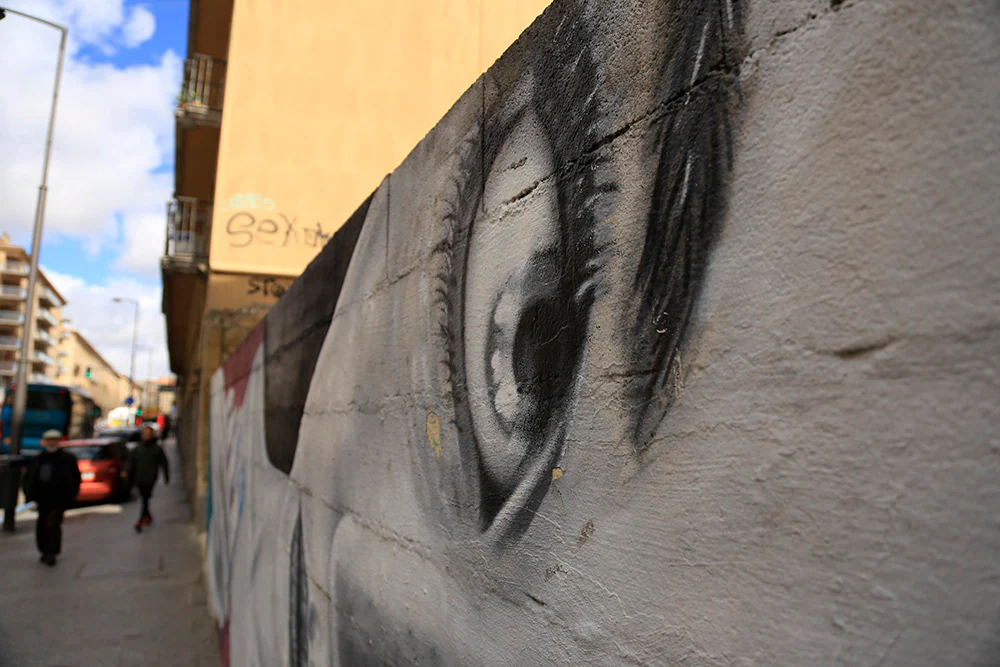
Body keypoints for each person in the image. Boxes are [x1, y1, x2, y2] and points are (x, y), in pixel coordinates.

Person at [22, 429, 81, 566]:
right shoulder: (38, 459)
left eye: (54, 440)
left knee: (53, 525)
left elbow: (75, 478)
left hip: (59, 498)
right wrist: (30, 494)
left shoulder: (67, 459)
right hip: (42, 498)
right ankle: (44, 550)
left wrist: (72, 494)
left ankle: (51, 552)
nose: (52, 443)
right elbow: (29, 478)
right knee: (42, 525)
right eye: (49, 440)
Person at [128, 424, 169, 532]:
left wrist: (166, 477)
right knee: (144, 498)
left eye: (148, 434)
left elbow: (164, 463)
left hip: (150, 478)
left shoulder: (156, 449)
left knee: (145, 499)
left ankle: (140, 521)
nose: (146, 436)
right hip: (139, 478)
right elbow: (131, 463)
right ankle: (148, 516)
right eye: (145, 434)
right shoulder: (138, 449)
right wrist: (127, 476)